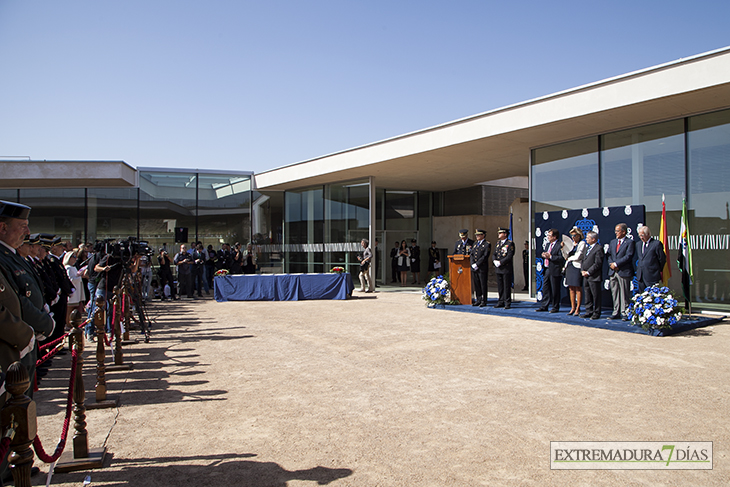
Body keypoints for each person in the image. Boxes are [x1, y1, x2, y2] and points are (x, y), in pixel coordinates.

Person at [0, 200, 54, 397]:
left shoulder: (12, 255)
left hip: (23, 345)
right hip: (13, 346)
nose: (28, 231)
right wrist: (36, 328)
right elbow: (15, 299)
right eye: (22, 226)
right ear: (2, 227)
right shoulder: (3, 256)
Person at [607, 223, 635, 320]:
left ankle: (625, 312)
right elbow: (609, 255)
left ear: (623, 232)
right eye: (615, 231)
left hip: (623, 271)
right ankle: (616, 311)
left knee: (624, 293)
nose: (616, 233)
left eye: (618, 231)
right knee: (615, 292)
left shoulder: (629, 242)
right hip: (613, 271)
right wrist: (612, 264)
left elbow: (628, 256)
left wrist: (617, 264)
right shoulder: (613, 242)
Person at [536, 228, 565, 313]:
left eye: (549, 235)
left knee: (555, 289)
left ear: (555, 237)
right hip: (547, 268)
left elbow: (561, 258)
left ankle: (555, 307)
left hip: (555, 269)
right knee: (545, 288)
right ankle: (544, 305)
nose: (548, 237)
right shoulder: (548, 244)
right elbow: (546, 253)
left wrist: (551, 257)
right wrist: (544, 255)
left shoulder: (559, 245)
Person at [580, 231, 605, 320]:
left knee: (596, 295)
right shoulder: (587, 248)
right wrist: (582, 270)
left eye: (588, 238)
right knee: (587, 294)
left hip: (594, 276)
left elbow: (598, 263)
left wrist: (589, 272)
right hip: (585, 275)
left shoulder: (598, 248)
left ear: (593, 239)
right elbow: (583, 260)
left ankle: (596, 312)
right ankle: (588, 311)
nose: (586, 239)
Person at [564, 227, 587, 316]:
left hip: (577, 266)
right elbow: (566, 256)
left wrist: (569, 258)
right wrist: (563, 249)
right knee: (571, 288)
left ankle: (578, 308)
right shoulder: (571, 244)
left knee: (577, 287)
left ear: (579, 235)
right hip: (569, 266)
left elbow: (579, 256)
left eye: (574, 235)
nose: (573, 237)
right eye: (572, 236)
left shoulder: (582, 243)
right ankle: (572, 307)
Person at [636, 225, 666, 292]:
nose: (641, 237)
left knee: (651, 295)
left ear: (648, 234)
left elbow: (662, 259)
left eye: (642, 235)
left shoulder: (656, 244)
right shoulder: (638, 244)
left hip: (652, 275)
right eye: (639, 235)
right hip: (641, 275)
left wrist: (656, 269)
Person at [493, 227, 515, 309]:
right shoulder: (498, 243)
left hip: (506, 268)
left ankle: (507, 302)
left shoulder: (510, 244)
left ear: (505, 234)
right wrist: (494, 260)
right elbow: (494, 253)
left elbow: (509, 256)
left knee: (506, 286)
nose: (499, 234)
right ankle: (500, 301)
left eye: (500, 233)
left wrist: (501, 262)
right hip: (498, 268)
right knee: (500, 286)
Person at [470, 229, 491, 307]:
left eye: (479, 235)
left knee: (483, 284)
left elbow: (485, 256)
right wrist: (472, 264)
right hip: (475, 267)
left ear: (483, 235)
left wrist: (477, 264)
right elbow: (472, 254)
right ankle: (478, 299)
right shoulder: (475, 244)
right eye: (476, 235)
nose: (477, 236)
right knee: (477, 284)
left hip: (482, 267)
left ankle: (483, 300)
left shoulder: (487, 244)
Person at [64, 250, 86, 325]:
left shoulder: (73, 267)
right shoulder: (68, 268)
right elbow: (71, 279)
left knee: (74, 308)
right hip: (73, 292)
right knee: (69, 310)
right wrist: (80, 277)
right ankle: (67, 324)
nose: (75, 258)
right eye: (73, 257)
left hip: (77, 291)